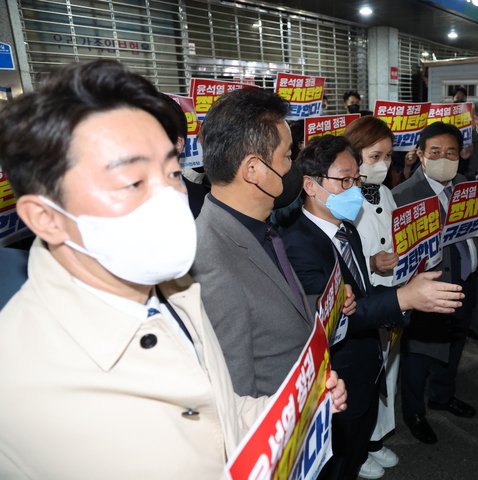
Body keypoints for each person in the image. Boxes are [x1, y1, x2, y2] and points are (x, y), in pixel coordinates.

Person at [0, 59, 299, 479]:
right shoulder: (21, 386)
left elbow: (220, 413)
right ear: (46, 218)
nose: (168, 198)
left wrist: (297, 402)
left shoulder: (172, 288)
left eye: (172, 172)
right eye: (132, 182)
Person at [283, 134, 465, 479]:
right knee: (336, 464)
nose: (354, 190)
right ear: (310, 184)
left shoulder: (346, 230)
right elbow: (334, 322)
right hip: (337, 378)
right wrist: (404, 298)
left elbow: (361, 299)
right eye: (344, 180)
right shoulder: (299, 246)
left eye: (357, 178)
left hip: (366, 365)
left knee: (353, 455)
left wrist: (407, 291)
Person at [189, 88, 353, 399]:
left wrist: (323, 302)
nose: (294, 167)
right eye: (288, 156)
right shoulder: (210, 260)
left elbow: (269, 310)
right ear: (254, 170)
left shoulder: (258, 227)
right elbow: (237, 400)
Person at [392, 122, 478, 444]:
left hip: (465, 283)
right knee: (419, 355)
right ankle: (414, 413)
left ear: (461, 156)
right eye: (434, 152)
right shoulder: (403, 196)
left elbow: (476, 231)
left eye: (450, 152)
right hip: (429, 290)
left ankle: (441, 396)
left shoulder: (466, 185)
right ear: (419, 155)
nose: (443, 158)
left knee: (455, 345)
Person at [344, 116, 400, 476]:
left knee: (387, 370)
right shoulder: (342, 199)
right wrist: (370, 262)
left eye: (389, 157)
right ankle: (357, 447)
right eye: (375, 156)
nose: (384, 164)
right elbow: (337, 255)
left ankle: (376, 438)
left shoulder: (386, 191)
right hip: (362, 300)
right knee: (363, 376)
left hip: (392, 295)